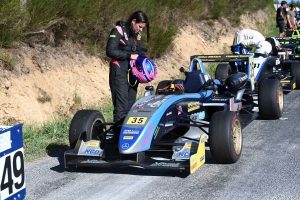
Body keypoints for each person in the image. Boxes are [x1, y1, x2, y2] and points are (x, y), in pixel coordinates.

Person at [106, 11, 149, 135]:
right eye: (139, 26)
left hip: (132, 74)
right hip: (118, 71)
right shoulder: (118, 30)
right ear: (133, 21)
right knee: (121, 106)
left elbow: (139, 53)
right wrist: (129, 56)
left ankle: (129, 135)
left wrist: (146, 64)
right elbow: (110, 51)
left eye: (142, 28)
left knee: (131, 106)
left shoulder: (137, 35)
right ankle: (118, 137)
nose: (140, 29)